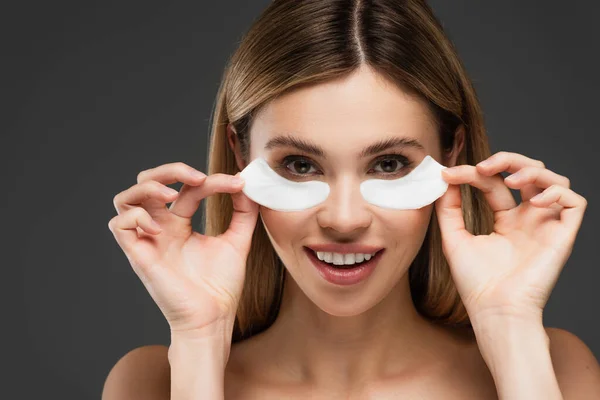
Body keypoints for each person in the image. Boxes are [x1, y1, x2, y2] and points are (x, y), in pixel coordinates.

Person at [103, 0, 600, 398]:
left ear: (453, 153)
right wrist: (199, 340)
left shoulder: (555, 369)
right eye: (300, 165)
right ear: (239, 156)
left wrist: (510, 330)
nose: (344, 219)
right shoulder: (150, 383)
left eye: (389, 164)